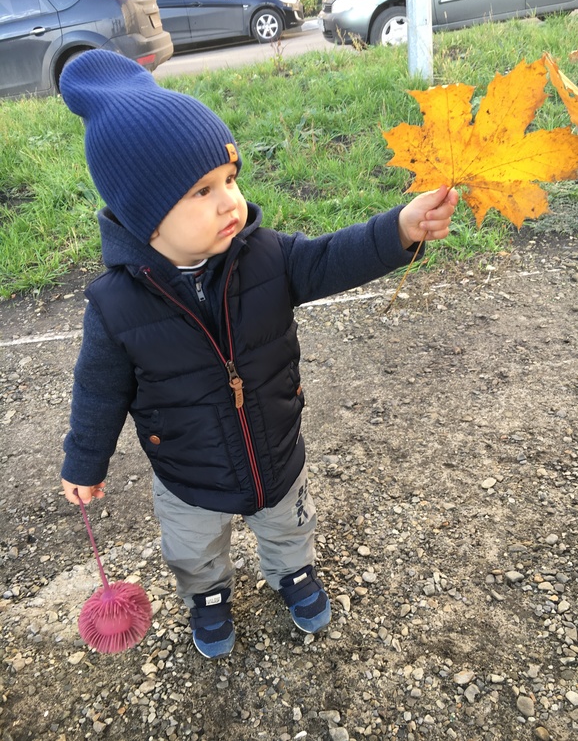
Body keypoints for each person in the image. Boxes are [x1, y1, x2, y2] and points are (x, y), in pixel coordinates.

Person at [59, 50, 458, 659]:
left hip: (275, 452)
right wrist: (85, 462)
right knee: (193, 548)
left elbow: (331, 258)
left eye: (230, 178)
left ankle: (292, 572)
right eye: (203, 190)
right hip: (187, 475)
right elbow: (98, 389)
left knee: (290, 525)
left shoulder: (266, 254)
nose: (231, 202)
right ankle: (207, 595)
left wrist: (398, 229)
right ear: (144, 218)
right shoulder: (116, 305)